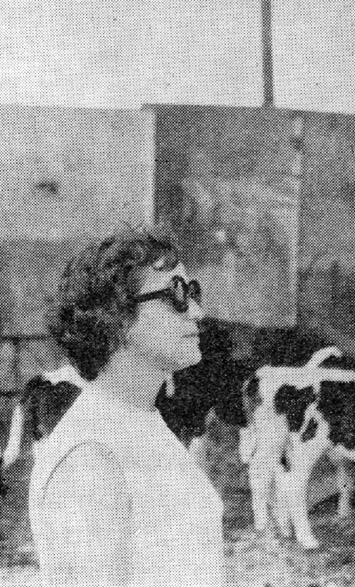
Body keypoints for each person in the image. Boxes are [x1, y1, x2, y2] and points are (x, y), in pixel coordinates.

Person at [28, 228, 224, 586]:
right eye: (176, 294)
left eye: (193, 292)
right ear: (116, 318)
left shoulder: (138, 420)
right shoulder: (89, 457)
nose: (197, 311)